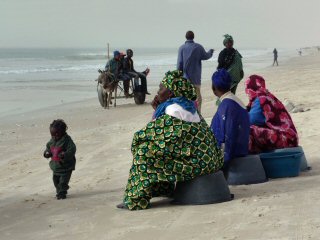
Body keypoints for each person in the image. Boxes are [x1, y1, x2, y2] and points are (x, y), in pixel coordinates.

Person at [117, 70, 223, 210]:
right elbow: (168, 137)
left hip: (198, 164)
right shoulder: (189, 107)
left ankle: (136, 200)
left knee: (143, 153)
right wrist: (158, 110)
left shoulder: (173, 109)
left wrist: (157, 113)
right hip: (209, 160)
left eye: (161, 88)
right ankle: (163, 190)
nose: (158, 91)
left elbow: (143, 136)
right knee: (163, 151)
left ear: (171, 93)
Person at [210, 69, 250, 176]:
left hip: (233, 153)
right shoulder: (235, 100)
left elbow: (228, 136)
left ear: (214, 88)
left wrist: (222, 162)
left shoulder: (227, 105)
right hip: (241, 147)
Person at [245, 75, 298, 153]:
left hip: (285, 139)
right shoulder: (267, 96)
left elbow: (251, 120)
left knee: (248, 130)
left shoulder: (260, 99)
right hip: (291, 137)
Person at [177, 30, 214, 113]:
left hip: (185, 79)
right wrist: (211, 51)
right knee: (197, 99)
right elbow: (206, 56)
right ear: (193, 37)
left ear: (186, 37)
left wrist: (178, 77)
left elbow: (179, 64)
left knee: (186, 99)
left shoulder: (181, 48)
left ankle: (187, 116)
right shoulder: (198, 47)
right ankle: (197, 116)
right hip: (196, 78)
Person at [43, 119, 76, 200]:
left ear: (63, 132)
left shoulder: (67, 140)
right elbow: (48, 148)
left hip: (65, 167)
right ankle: (59, 191)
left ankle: (62, 193)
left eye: (57, 135)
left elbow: (72, 149)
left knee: (63, 182)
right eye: (53, 135)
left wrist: (65, 154)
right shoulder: (52, 140)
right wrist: (47, 153)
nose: (55, 136)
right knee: (55, 181)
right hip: (55, 167)